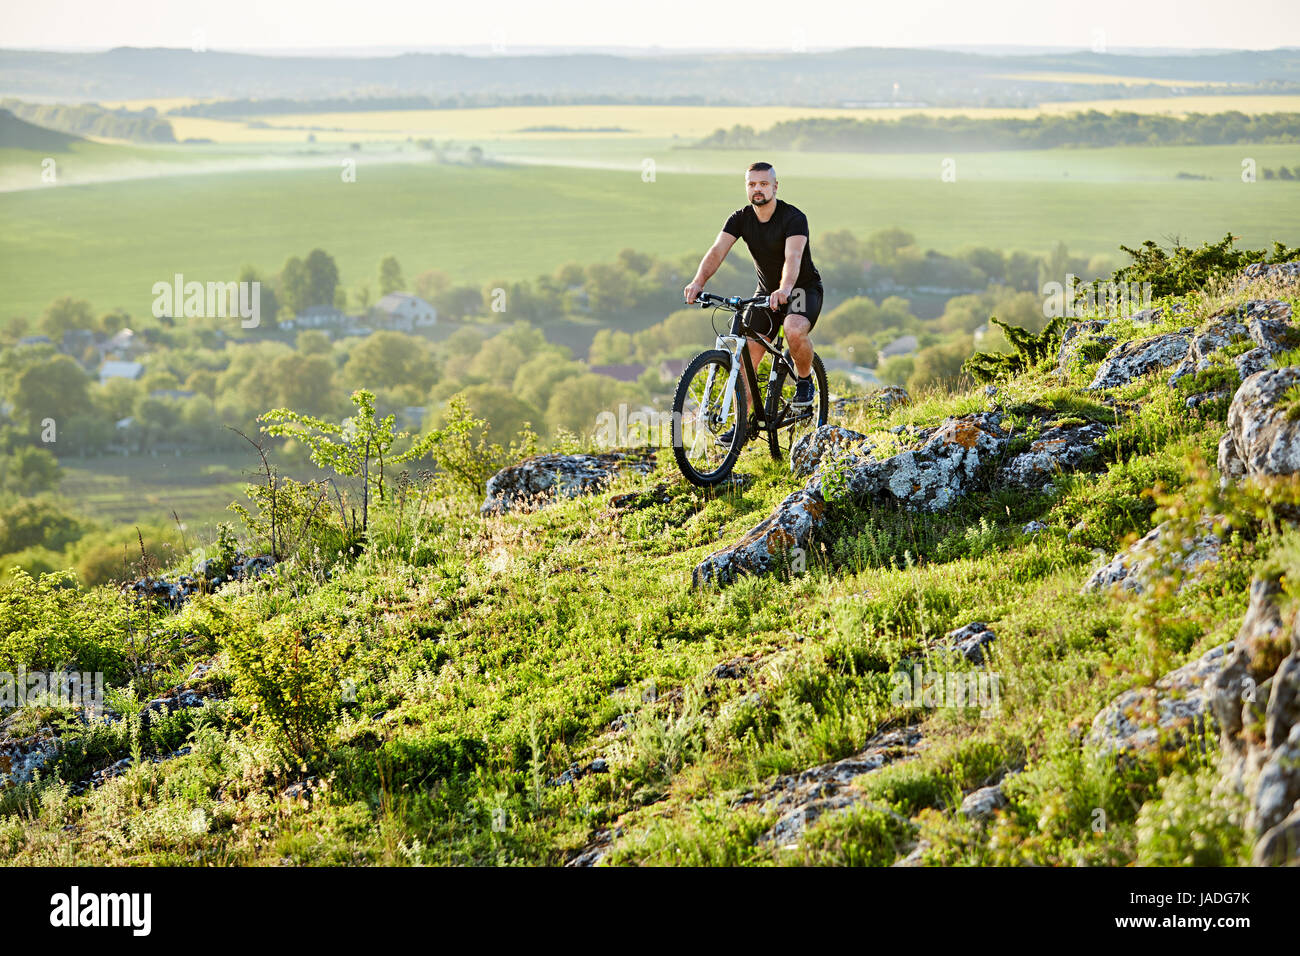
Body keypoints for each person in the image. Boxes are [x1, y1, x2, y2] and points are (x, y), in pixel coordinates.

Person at [683, 161, 823, 443]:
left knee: (794, 329)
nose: (757, 189)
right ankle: (743, 425)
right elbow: (717, 250)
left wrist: (785, 288)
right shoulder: (740, 218)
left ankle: (805, 381)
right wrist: (698, 282)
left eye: (763, 184)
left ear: (774, 186)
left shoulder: (793, 217)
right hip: (765, 293)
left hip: (800, 289)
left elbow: (792, 258)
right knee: (747, 360)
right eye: (751, 184)